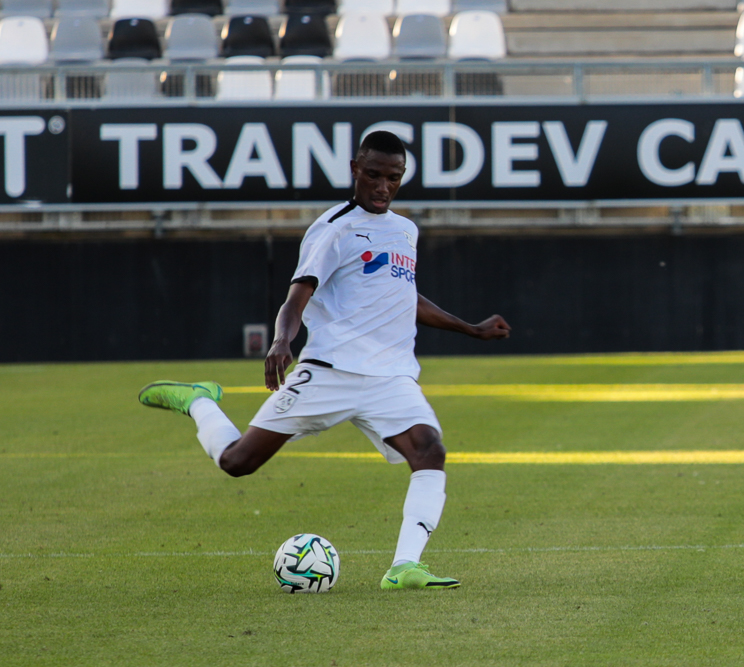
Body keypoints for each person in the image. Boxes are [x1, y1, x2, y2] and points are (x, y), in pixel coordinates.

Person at [138, 131, 511, 590]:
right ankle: (198, 401)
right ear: (356, 169)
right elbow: (298, 295)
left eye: (392, 177)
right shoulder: (334, 228)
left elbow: (403, 294)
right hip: (330, 372)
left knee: (429, 450)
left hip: (390, 378)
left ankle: (404, 567)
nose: (382, 186)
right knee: (238, 462)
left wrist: (469, 327)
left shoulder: (405, 231)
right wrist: (281, 341)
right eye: (373, 175)